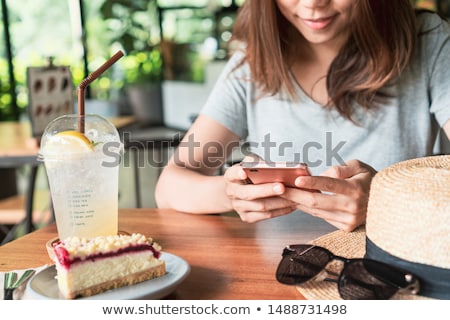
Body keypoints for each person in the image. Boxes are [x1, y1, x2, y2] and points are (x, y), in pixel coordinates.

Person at [155, 0, 450, 232]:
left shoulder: (428, 40)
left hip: (393, 276)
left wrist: (387, 198)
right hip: (275, 278)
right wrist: (231, 194)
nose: (312, 4)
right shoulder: (252, 64)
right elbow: (168, 189)